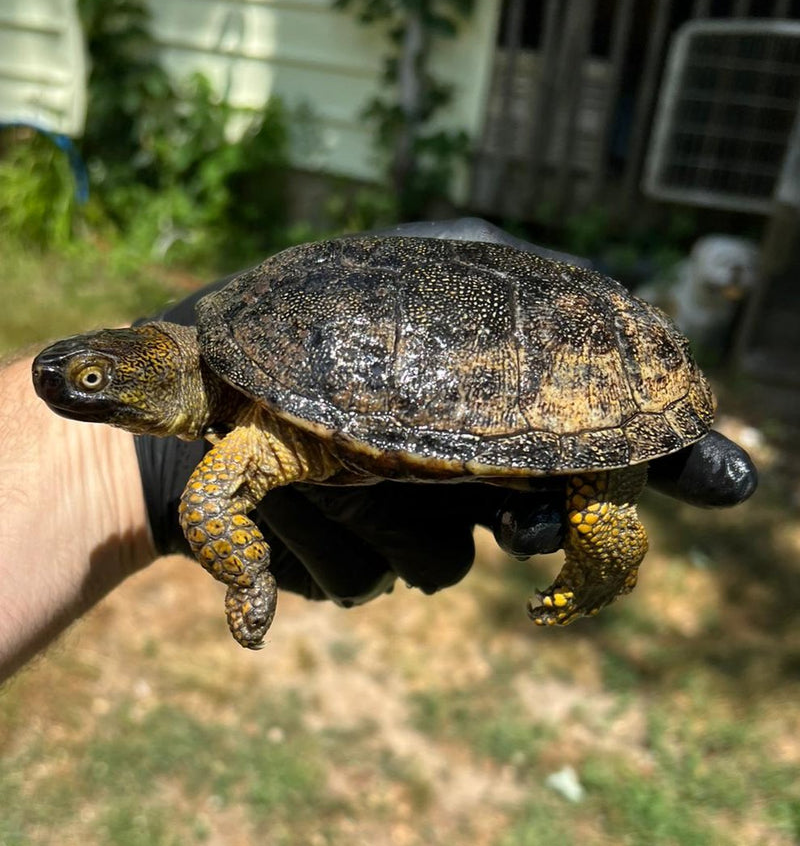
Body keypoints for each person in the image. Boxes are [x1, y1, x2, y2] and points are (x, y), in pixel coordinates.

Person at [1, 219, 757, 683]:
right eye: (87, 377)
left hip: (573, 381)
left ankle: (606, 567)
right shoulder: (247, 350)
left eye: (93, 379)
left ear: (157, 367)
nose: (77, 387)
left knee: (600, 515)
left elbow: (209, 498)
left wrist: (227, 561)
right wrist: (157, 497)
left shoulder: (248, 377)